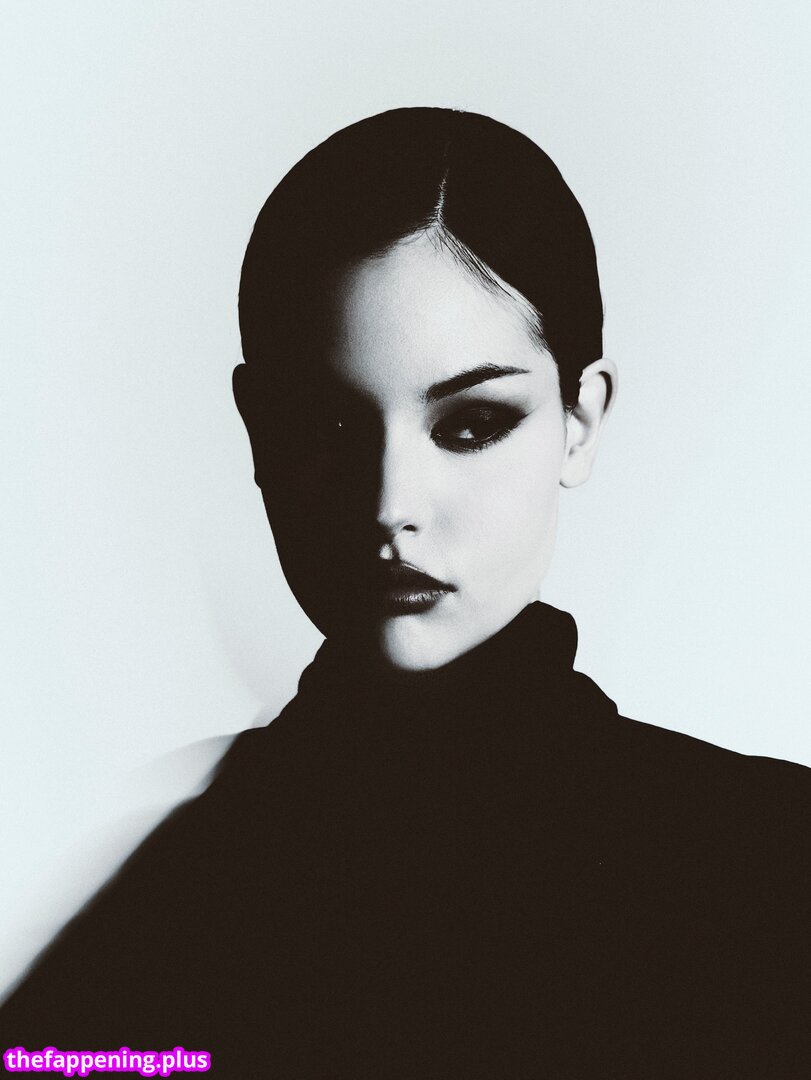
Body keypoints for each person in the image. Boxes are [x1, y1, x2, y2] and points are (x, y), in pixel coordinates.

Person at [2, 107, 809, 1078]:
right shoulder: (142, 897)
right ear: (259, 434)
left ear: (580, 420)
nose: (390, 506)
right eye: (328, 428)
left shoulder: (768, 866)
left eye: (470, 425)